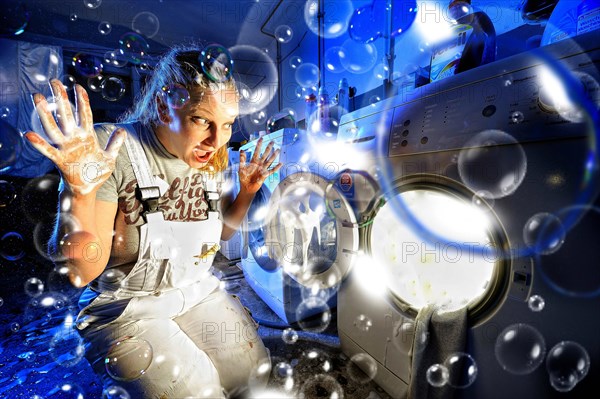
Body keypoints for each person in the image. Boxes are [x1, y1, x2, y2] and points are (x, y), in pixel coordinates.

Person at [24, 44, 281, 398]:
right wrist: (80, 192)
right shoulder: (111, 147)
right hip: (125, 308)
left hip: (197, 290)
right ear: (164, 105)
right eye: (201, 120)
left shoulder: (213, 157)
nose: (216, 140)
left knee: (254, 377)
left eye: (226, 124)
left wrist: (248, 192)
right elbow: (82, 272)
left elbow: (221, 233)